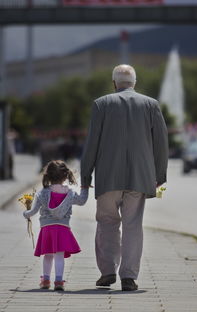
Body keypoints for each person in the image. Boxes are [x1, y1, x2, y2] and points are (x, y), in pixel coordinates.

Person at [81, 64, 168, 291]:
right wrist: (159, 175)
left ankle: (108, 272)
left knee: (107, 223)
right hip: (140, 177)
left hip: (108, 177)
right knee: (133, 225)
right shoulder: (151, 105)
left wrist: (85, 175)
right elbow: (160, 144)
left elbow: (92, 143)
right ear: (134, 83)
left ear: (114, 83)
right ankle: (129, 276)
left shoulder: (101, 104)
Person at [23, 160, 88, 291]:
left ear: (48, 176)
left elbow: (33, 211)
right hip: (63, 228)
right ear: (65, 176)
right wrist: (85, 188)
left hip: (47, 228)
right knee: (59, 256)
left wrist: (26, 213)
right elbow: (82, 201)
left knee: (48, 255)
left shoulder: (42, 193)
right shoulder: (70, 194)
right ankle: (59, 281)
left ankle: (45, 280)